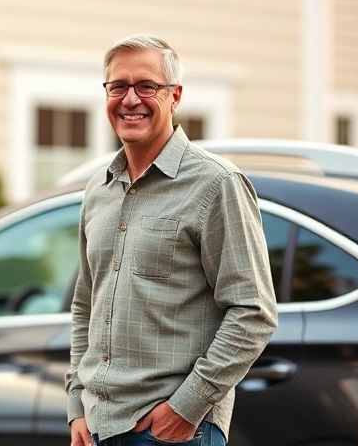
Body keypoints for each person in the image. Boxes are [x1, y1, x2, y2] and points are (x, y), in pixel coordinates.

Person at [66, 34, 278, 446]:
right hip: (98, 428)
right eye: (118, 86)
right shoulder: (99, 189)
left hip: (175, 432)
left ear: (175, 96)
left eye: (146, 86)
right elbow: (84, 307)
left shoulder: (217, 184)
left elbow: (253, 312)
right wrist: (77, 406)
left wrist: (186, 407)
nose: (130, 99)